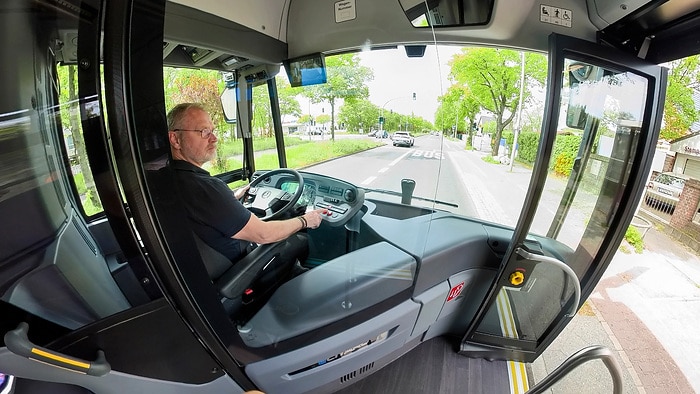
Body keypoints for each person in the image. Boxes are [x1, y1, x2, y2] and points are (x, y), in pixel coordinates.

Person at [166, 103, 323, 264]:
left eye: (212, 131)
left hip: (204, 268)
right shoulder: (204, 188)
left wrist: (232, 197)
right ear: (175, 139)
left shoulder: (169, 180)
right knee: (300, 240)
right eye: (204, 131)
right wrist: (306, 220)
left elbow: (204, 210)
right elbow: (263, 234)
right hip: (241, 269)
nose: (214, 138)